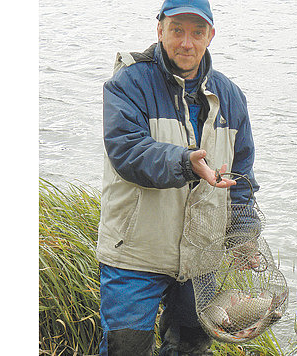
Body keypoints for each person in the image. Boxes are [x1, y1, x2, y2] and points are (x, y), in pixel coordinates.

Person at [96, 0, 259, 354]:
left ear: (210, 36)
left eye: (197, 32)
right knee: (126, 348)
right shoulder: (128, 83)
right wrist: (185, 162)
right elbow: (128, 152)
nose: (187, 42)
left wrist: (243, 233)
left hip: (200, 260)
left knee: (190, 348)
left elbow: (242, 179)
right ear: (160, 30)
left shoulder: (231, 96)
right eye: (177, 31)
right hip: (135, 255)